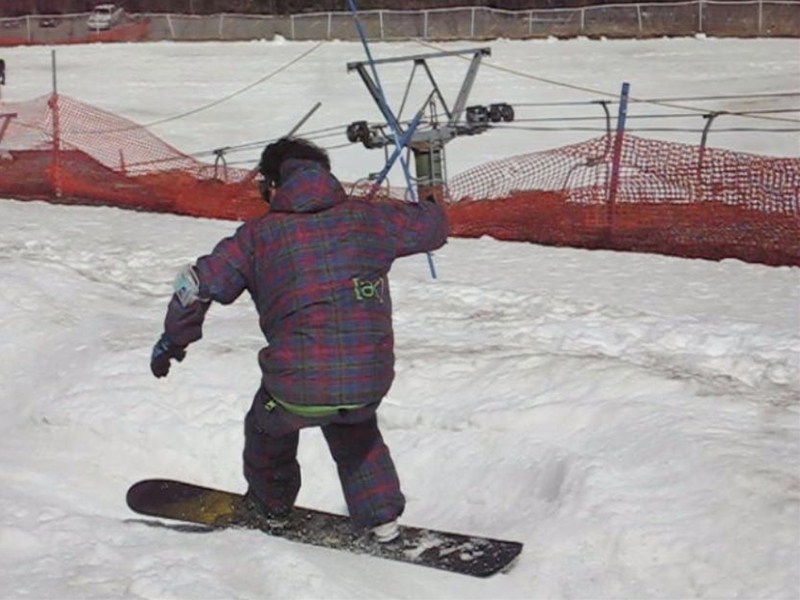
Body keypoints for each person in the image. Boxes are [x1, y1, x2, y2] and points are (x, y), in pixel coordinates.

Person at [150, 137, 448, 542]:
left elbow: (196, 286)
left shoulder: (257, 237)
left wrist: (173, 341)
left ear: (272, 185)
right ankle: (382, 520)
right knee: (354, 427)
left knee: (267, 428)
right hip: (368, 380)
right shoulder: (372, 219)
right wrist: (429, 195)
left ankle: (271, 510)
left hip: (295, 387)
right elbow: (434, 227)